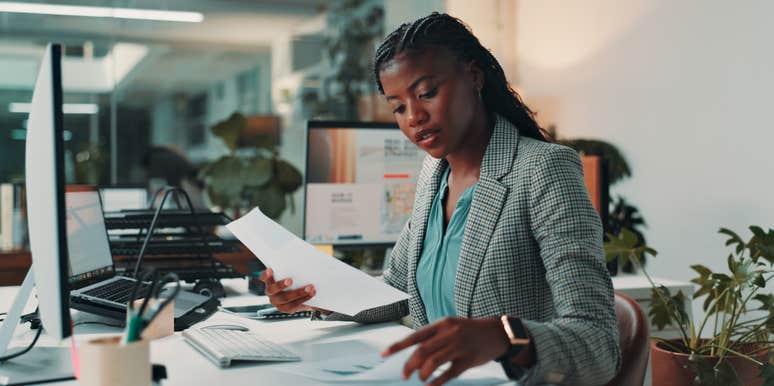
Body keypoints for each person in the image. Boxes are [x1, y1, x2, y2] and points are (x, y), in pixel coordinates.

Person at [260, 12, 620, 386]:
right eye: (398, 107)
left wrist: (503, 337)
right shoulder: (434, 175)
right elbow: (397, 290)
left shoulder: (544, 169)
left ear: (474, 77)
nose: (414, 117)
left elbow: (597, 344)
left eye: (427, 93)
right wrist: (316, 295)